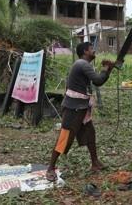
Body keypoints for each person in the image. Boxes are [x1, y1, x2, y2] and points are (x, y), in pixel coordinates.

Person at [46, 42, 115, 182]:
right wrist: (107, 68)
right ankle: (50, 168)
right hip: (74, 108)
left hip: (81, 107)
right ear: (85, 51)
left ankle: (95, 163)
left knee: (90, 134)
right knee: (65, 137)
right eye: (91, 49)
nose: (94, 51)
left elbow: (96, 82)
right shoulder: (83, 64)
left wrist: (107, 69)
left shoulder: (82, 64)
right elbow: (98, 81)